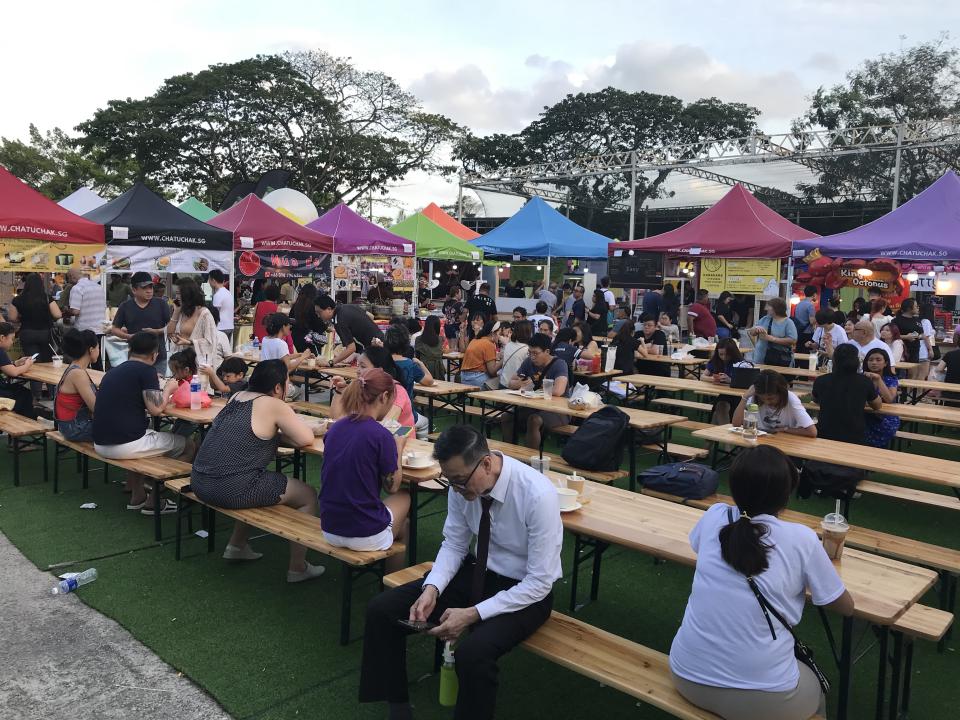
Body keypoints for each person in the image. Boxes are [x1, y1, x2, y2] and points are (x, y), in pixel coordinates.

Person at [359, 425, 562, 720]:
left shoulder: (537, 494)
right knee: (382, 609)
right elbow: (454, 544)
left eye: (459, 481)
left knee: (473, 654)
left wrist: (473, 613)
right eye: (450, 482)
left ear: (487, 464)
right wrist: (432, 589)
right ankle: (398, 705)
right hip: (479, 571)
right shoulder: (462, 485)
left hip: (527, 593)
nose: (456, 489)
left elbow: (540, 582)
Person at [669, 445, 853, 720]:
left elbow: (703, 548)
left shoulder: (715, 516)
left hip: (686, 675)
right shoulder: (801, 538)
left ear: (734, 487)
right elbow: (845, 606)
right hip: (762, 700)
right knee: (816, 688)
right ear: (786, 494)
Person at [190, 359, 324, 582]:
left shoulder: (236, 397)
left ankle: (237, 545)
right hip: (229, 488)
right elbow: (305, 438)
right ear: (278, 387)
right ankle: (298, 567)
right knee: (308, 494)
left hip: (200, 481)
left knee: (254, 481)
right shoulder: (273, 404)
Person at [93, 332, 195, 514]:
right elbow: (156, 410)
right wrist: (169, 389)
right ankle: (154, 499)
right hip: (124, 444)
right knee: (188, 445)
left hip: (100, 442)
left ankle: (137, 495)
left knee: (149, 437)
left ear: (130, 350)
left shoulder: (113, 371)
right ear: (154, 354)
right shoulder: (146, 371)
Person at [320, 367, 411, 572]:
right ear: (384, 396)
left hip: (330, 526)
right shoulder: (381, 435)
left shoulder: (336, 428)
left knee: (401, 523)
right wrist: (397, 446)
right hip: (364, 533)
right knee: (405, 497)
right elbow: (393, 487)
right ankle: (392, 586)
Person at [506, 333, 570, 448]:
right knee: (507, 416)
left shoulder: (560, 364)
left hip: (558, 410)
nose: (532, 357)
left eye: (535, 353)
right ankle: (508, 455)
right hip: (534, 407)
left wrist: (534, 389)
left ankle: (530, 461)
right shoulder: (528, 362)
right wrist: (520, 383)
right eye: (529, 353)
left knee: (534, 420)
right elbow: (511, 383)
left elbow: (558, 391)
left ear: (547, 351)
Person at [813, 343, 882, 445]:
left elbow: (815, 399)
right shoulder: (864, 381)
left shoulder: (821, 380)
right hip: (854, 434)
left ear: (835, 360)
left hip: (825, 432)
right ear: (856, 361)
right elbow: (877, 405)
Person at [8, 272, 62, 399]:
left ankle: (36, 397)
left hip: (27, 333)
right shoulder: (47, 297)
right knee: (49, 364)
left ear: (26, 284)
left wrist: (23, 317)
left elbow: (12, 317)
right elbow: (58, 314)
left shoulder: (18, 300)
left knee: (32, 363)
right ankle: (53, 394)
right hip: (45, 334)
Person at [111, 271, 172, 374]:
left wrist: (157, 331)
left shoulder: (161, 304)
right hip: (135, 357)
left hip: (158, 357)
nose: (149, 291)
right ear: (134, 290)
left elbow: (171, 326)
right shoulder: (125, 306)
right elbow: (114, 329)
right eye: (145, 288)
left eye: (151, 287)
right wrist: (129, 336)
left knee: (156, 387)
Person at [732, 370, 816, 437]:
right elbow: (736, 424)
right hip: (760, 442)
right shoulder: (754, 396)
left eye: (771, 398)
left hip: (784, 442)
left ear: (781, 393)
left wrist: (785, 429)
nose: (767, 402)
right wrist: (745, 397)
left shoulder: (791, 398)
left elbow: (812, 431)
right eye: (762, 398)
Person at [386, 325, 434, 438]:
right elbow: (429, 381)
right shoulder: (409, 364)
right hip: (406, 418)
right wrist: (421, 364)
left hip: (385, 415)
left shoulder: (382, 362)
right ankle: (420, 447)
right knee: (425, 423)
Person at [55, 329, 100, 441]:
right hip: (75, 428)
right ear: (91, 350)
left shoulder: (74, 368)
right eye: (98, 348)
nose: (99, 351)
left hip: (71, 426)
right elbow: (96, 408)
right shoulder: (78, 374)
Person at [316, 295, 386, 366]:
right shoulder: (348, 306)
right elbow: (371, 316)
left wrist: (330, 362)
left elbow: (351, 348)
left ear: (329, 309)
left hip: (376, 350)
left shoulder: (339, 320)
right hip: (381, 341)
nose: (318, 316)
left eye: (319, 312)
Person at [167, 277, 219, 368]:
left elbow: (211, 341)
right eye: (176, 293)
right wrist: (176, 312)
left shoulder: (204, 313)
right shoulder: (180, 311)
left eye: (179, 294)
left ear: (187, 294)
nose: (177, 297)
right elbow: (169, 333)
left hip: (198, 363)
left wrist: (189, 342)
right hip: (180, 362)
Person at [65, 270, 107, 370]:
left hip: (84, 330)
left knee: (83, 359)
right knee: (97, 359)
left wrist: (67, 310)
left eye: (69, 278)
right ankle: (99, 381)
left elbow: (75, 311)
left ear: (72, 276)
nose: (69, 282)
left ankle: (82, 380)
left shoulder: (77, 288)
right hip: (99, 328)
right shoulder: (98, 287)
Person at [862, 348, 900, 448]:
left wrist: (878, 380)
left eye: (878, 360)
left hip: (885, 417)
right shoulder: (861, 378)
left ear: (885, 363)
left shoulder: (891, 379)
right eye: (870, 360)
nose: (874, 362)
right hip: (865, 415)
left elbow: (889, 399)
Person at [0, 322, 36, 417]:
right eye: (11, 339)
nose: (12, 342)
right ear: (2, 338)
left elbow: (4, 366)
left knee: (22, 391)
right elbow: (14, 372)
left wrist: (16, 363)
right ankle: (29, 422)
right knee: (25, 394)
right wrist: (27, 365)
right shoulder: (1, 352)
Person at [748, 297, 796, 368]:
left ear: (776, 308)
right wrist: (755, 329)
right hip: (759, 358)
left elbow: (793, 340)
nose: (766, 308)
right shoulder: (765, 319)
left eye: (768, 306)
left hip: (779, 359)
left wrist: (771, 338)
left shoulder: (788, 322)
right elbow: (751, 332)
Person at [459, 317, 500, 388]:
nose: (500, 336)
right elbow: (492, 371)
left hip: (464, 378)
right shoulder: (488, 344)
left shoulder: (475, 340)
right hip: (476, 379)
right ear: (493, 333)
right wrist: (504, 359)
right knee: (504, 382)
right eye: (499, 333)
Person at [634, 313, 671, 377]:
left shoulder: (660, 334)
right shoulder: (638, 334)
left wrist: (641, 348)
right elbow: (633, 349)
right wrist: (648, 346)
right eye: (644, 325)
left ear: (655, 326)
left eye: (649, 325)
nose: (646, 327)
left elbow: (655, 351)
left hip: (659, 368)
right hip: (641, 367)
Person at [891, 298, 923, 372]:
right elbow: (891, 335)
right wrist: (906, 337)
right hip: (900, 351)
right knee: (900, 372)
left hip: (914, 351)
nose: (918, 308)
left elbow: (922, 334)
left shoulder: (917, 320)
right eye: (916, 306)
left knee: (913, 372)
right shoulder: (896, 320)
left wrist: (919, 336)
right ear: (909, 308)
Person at [290, 284, 324, 352]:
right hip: (312, 339)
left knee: (300, 359)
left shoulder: (295, 306)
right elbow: (318, 324)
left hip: (296, 338)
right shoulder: (314, 307)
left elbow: (291, 320)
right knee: (312, 360)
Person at [498, 319, 531, 389]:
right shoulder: (527, 349)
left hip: (502, 383)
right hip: (515, 386)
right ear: (528, 332)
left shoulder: (508, 345)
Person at [207, 269, 234, 344]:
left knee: (218, 351)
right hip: (229, 326)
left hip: (221, 327)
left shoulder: (218, 295)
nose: (208, 282)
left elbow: (214, 314)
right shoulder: (228, 293)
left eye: (209, 280)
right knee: (225, 351)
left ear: (213, 280)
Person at [414, 315, 444, 380]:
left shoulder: (419, 339)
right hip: (438, 370)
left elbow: (417, 356)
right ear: (437, 327)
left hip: (424, 370)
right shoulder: (440, 339)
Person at [917, 301, 937, 381]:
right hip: (924, 351)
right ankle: (918, 393)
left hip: (919, 350)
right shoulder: (926, 321)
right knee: (923, 375)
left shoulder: (919, 321)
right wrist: (930, 350)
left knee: (918, 375)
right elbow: (926, 337)